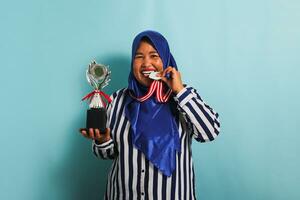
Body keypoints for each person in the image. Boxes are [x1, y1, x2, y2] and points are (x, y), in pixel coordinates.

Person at [80, 30, 220, 200]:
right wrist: (102, 141)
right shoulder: (117, 100)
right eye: (139, 56)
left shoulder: (183, 97)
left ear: (166, 59)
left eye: (154, 56)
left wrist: (179, 90)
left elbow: (209, 132)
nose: (146, 63)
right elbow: (107, 154)